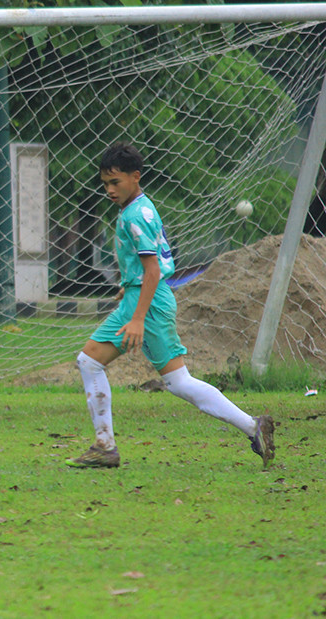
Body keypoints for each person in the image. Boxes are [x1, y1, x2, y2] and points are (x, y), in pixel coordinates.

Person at [67, 142, 275, 469]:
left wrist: (136, 318)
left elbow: (152, 270)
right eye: (105, 183)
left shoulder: (136, 215)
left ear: (135, 177)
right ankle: (253, 426)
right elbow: (145, 267)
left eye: (115, 182)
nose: (109, 189)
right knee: (166, 380)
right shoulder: (142, 206)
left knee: (94, 363)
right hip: (146, 297)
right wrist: (129, 286)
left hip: (147, 304)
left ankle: (106, 446)